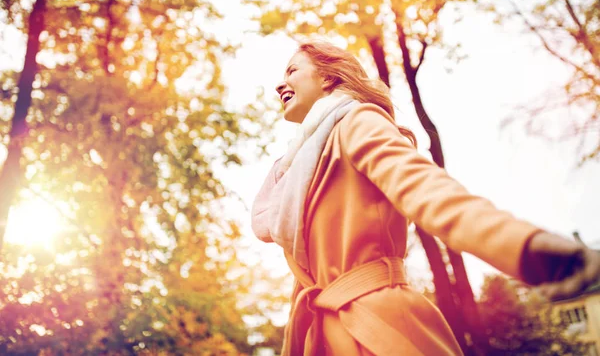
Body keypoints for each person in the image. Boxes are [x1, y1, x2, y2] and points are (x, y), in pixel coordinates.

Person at [250, 41, 600, 355]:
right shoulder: (297, 173)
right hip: (322, 338)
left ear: (327, 79)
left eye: (292, 70)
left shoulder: (356, 121)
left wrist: (522, 246)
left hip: (379, 330)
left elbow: (427, 190)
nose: (280, 83)